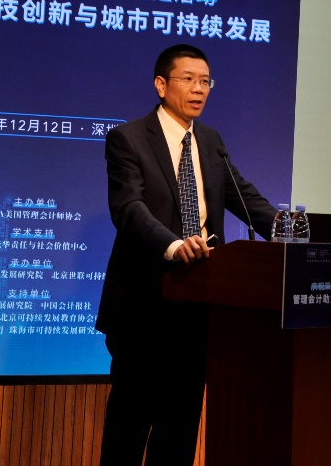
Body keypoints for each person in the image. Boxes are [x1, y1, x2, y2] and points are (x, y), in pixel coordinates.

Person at [95, 43, 277, 465]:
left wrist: (297, 231)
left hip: (199, 308)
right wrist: (175, 246)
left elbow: (246, 199)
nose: (199, 89)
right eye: (189, 79)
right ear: (161, 85)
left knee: (178, 432)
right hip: (143, 307)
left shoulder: (210, 142)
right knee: (129, 428)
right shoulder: (128, 139)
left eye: (206, 81)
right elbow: (129, 209)